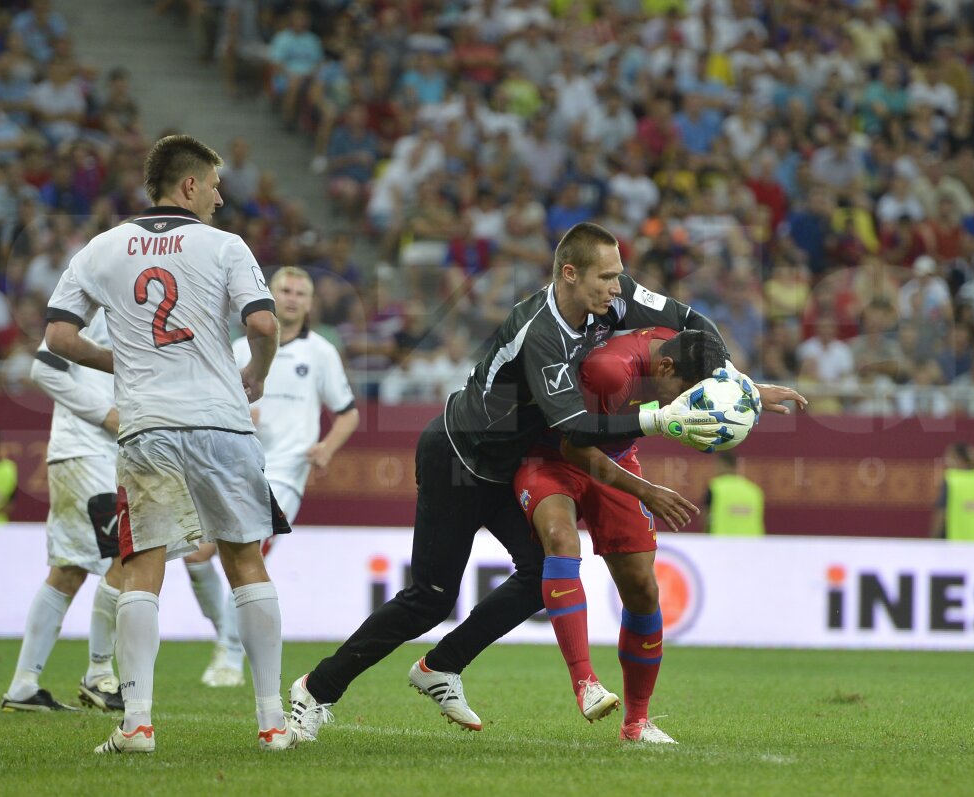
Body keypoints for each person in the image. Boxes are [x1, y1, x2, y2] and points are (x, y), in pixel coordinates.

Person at [289, 221, 734, 741]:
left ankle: (442, 666)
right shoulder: (541, 333)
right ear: (570, 274)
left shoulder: (614, 298)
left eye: (620, 276)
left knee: (545, 572)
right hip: (459, 459)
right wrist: (658, 419)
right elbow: (575, 428)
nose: (620, 288)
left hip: (505, 465)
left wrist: (735, 385)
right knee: (430, 598)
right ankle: (315, 690)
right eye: (608, 277)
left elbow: (691, 322)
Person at [44, 135, 295, 754]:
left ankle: (137, 724)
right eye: (213, 185)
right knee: (245, 561)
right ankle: (271, 723)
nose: (218, 195)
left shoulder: (101, 248)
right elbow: (263, 323)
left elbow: (57, 337)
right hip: (221, 423)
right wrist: (258, 372)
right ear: (188, 186)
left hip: (147, 426)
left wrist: (122, 364)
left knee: (142, 566)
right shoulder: (225, 246)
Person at [515, 329, 802, 743]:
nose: (683, 405)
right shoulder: (610, 372)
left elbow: (703, 376)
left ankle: (637, 723)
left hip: (616, 459)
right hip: (552, 456)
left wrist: (753, 393)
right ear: (665, 367)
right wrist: (646, 490)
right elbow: (576, 445)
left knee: (644, 590)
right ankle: (586, 682)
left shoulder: (678, 349)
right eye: (683, 392)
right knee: (561, 539)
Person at [193, 266, 360, 688]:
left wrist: (326, 447)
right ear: (270, 295)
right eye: (284, 290)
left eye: (299, 292)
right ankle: (226, 637)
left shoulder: (320, 352)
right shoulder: (236, 349)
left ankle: (230, 655)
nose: (291, 298)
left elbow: (347, 412)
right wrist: (236, 414)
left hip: (285, 472)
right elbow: (210, 406)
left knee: (246, 551)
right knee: (197, 557)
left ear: (309, 302)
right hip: (233, 465)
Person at [1, 311, 125, 713]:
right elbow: (45, 369)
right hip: (87, 450)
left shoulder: (137, 303)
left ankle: (23, 685)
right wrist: (105, 414)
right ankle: (99, 674)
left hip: (102, 453)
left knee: (68, 570)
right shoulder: (94, 302)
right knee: (126, 554)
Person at [931, 442, 974, 542]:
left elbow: (941, 512)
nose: (947, 462)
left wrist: (933, 538)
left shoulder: (951, 478)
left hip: (956, 542)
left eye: (950, 457)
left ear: (959, 459)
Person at [705, 452, 766, 536]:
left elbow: (706, 519)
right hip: (752, 544)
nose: (715, 469)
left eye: (717, 466)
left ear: (723, 464)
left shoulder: (715, 487)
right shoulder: (754, 490)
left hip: (722, 544)